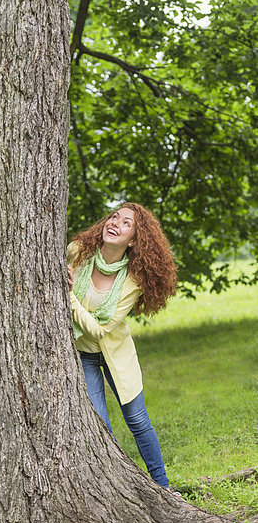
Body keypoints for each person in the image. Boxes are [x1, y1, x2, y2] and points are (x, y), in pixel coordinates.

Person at [67, 202, 177, 489]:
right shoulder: (78, 253)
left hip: (116, 354)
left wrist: (68, 296)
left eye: (126, 223)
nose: (115, 223)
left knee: (138, 421)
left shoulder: (133, 280)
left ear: (134, 241)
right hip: (82, 355)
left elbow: (101, 330)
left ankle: (163, 487)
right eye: (114, 217)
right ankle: (126, 486)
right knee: (100, 426)